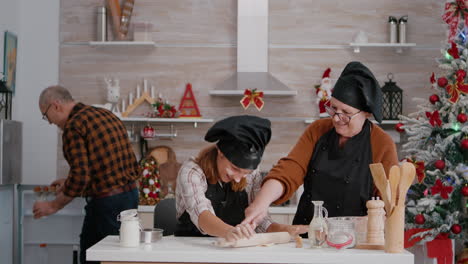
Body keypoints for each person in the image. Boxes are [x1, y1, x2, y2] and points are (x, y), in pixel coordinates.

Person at [242, 62, 398, 232]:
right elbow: (290, 168)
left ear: (366, 113)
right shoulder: (318, 130)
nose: (337, 119)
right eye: (333, 109)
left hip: (355, 238)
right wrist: (261, 203)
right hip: (306, 232)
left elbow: (389, 203)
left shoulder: (382, 143)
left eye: (346, 113)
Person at [33, 85, 140, 264]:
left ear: (56, 105)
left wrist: (53, 206)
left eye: (46, 115)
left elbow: (81, 176)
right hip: (130, 196)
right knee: (120, 256)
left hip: (107, 204)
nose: (50, 122)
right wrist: (68, 182)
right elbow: (102, 167)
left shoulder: (73, 127)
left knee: (96, 257)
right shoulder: (106, 115)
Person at [175, 115, 308, 241]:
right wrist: (229, 232)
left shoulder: (253, 174)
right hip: (192, 248)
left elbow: (261, 221)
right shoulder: (192, 172)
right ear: (220, 152)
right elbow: (201, 214)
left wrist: (284, 229)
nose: (238, 179)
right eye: (235, 168)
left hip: (235, 249)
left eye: (245, 173)